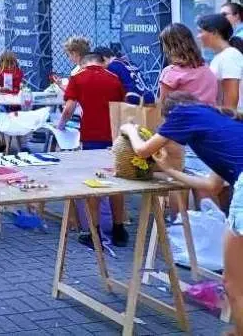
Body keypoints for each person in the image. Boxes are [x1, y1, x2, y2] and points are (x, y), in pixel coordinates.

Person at [120, 91, 243, 331]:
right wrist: (169, 170)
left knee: (235, 285)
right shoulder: (219, 121)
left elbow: (143, 151)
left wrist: (130, 129)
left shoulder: (182, 113)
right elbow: (212, 186)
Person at [57, 52, 127, 246]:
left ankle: (94, 231)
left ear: (83, 63)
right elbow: (121, 106)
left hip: (91, 135)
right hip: (113, 134)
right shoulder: (114, 78)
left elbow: (69, 107)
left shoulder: (78, 78)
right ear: (101, 61)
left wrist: (60, 126)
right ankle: (119, 228)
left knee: (93, 182)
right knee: (116, 181)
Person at [158, 23, 218, 105]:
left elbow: (163, 107)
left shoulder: (170, 73)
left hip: (183, 117)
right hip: (210, 116)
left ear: (168, 47)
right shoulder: (207, 69)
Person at [198, 13, 243, 111]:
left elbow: (231, 104)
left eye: (201, 32)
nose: (198, 36)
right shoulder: (220, 56)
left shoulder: (230, 56)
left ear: (214, 32)